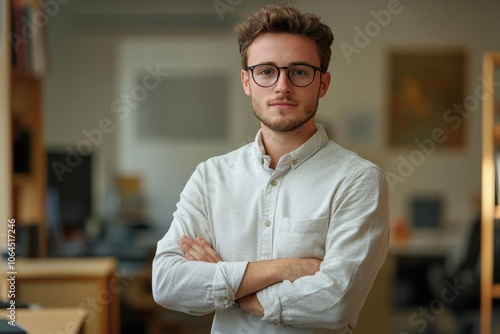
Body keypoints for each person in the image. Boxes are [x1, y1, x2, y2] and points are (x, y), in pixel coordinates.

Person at [152, 4, 390, 333]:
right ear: (247, 81)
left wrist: (224, 281)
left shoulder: (359, 180)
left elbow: (336, 303)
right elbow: (166, 282)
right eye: (266, 71)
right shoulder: (211, 177)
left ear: (323, 83)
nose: (282, 86)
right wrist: (283, 269)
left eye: (300, 71)